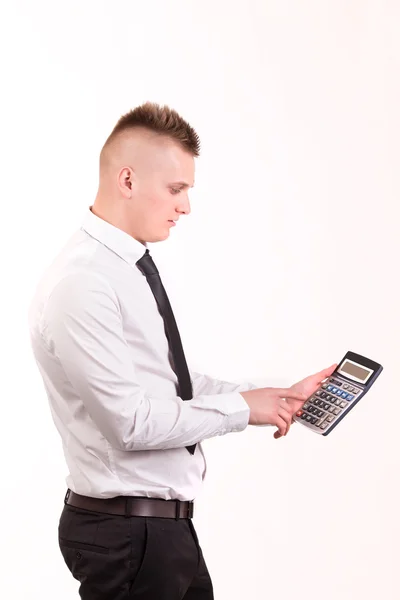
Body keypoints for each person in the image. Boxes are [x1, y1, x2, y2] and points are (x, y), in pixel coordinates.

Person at [28, 101, 336, 600]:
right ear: (127, 181)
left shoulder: (122, 269)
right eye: (176, 189)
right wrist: (240, 410)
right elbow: (129, 423)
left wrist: (275, 396)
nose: (186, 206)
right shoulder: (83, 283)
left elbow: (171, 385)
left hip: (159, 533)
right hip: (130, 536)